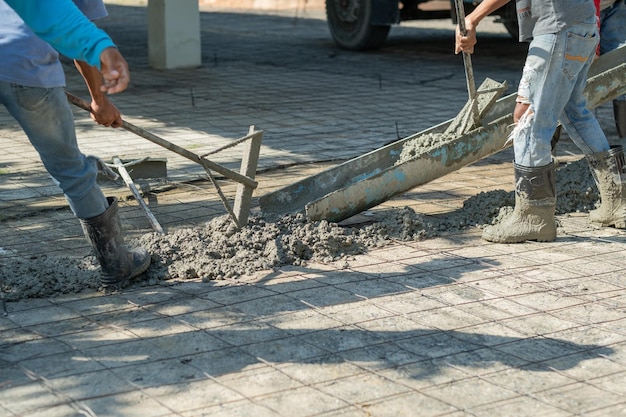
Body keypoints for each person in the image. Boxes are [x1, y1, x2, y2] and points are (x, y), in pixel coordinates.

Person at [0, 0, 150, 288]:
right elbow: (78, 35)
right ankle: (117, 264)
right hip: (27, 68)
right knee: (70, 169)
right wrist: (100, 101)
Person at [455, 0, 626, 243]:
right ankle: (618, 201)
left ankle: (533, 216)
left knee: (528, 119)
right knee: (573, 111)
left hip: (559, 28)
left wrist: (473, 18)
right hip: (581, 24)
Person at [598, 0, 626, 138]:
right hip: (574, 10)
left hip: (614, 5)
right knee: (559, 77)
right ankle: (545, 152)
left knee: (623, 72)